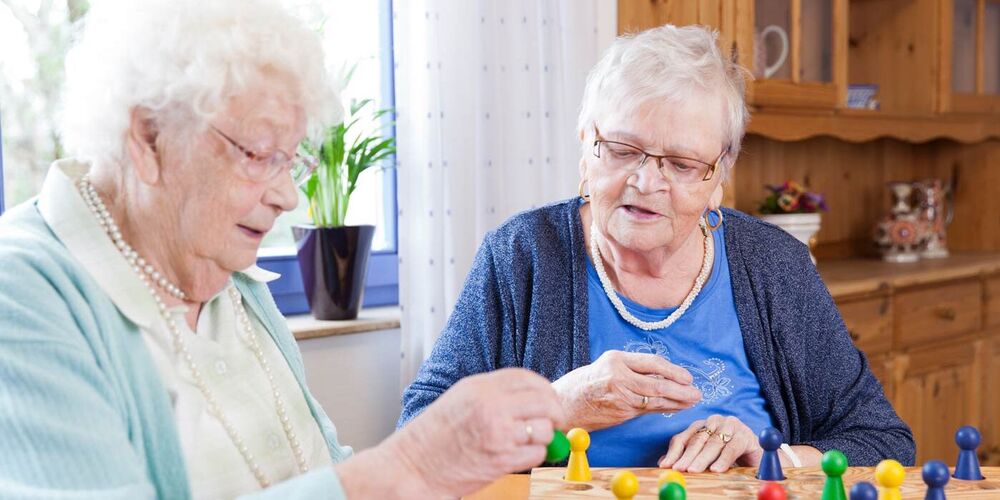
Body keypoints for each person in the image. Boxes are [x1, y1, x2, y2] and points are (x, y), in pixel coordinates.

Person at [0, 1, 565, 498]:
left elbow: (322, 469)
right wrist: (411, 466)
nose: (288, 195)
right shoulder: (22, 292)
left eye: (291, 158)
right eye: (259, 153)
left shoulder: (229, 279)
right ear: (149, 138)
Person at [399, 25, 915, 471]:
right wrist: (556, 405)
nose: (646, 181)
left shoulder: (774, 264)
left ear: (719, 176)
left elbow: (884, 441)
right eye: (623, 150)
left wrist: (773, 454)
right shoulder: (521, 256)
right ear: (585, 145)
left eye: (683, 164)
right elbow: (419, 437)